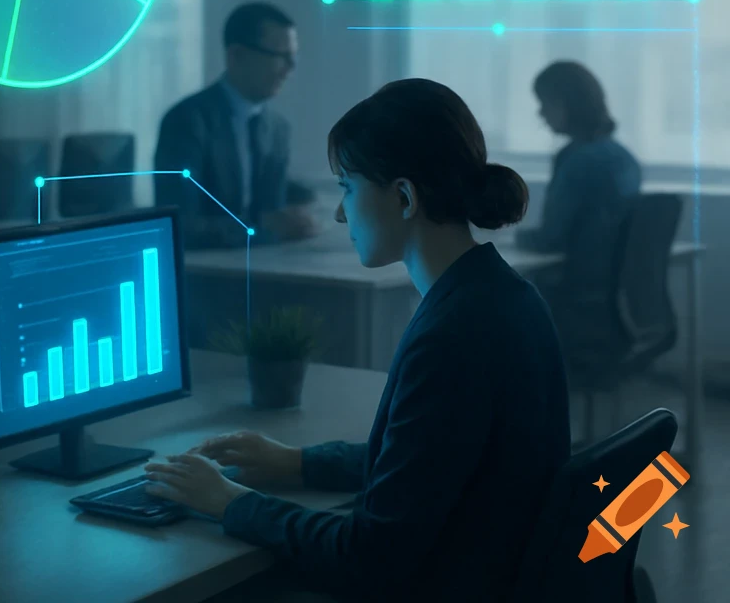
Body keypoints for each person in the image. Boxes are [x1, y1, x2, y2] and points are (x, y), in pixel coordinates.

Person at [143, 79, 570, 603]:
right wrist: (297, 462)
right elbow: (426, 461)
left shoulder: (452, 337)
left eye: (347, 186)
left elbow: (369, 556)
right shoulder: (504, 295)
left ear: (405, 197)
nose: (341, 213)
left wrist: (229, 501)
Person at [154, 2, 317, 248]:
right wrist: (259, 226)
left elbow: (274, 214)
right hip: (209, 276)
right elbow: (180, 224)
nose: (290, 68)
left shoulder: (276, 129)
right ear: (237, 55)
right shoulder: (187, 122)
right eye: (281, 57)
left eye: (293, 57)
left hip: (267, 268)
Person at [516, 61, 641, 342]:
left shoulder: (577, 161)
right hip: (615, 297)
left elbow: (551, 239)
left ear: (565, 105)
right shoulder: (625, 158)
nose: (541, 113)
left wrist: (512, 238)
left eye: (545, 103)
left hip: (576, 294)